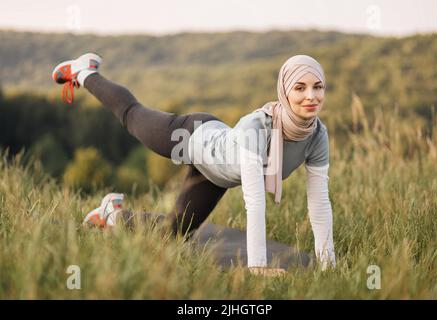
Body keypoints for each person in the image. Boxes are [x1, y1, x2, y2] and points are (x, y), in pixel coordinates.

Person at [51, 53, 336, 275]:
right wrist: (258, 266)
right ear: (284, 90)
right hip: (192, 135)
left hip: (217, 175)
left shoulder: (317, 135)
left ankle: (112, 215)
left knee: (173, 235)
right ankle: (85, 71)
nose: (311, 96)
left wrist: (328, 266)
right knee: (133, 116)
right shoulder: (257, 128)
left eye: (318, 87)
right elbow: (255, 200)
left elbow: (319, 203)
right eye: (300, 87)